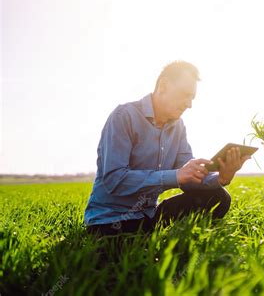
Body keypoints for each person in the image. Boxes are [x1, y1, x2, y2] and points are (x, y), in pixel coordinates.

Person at [84, 61, 250, 236]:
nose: (189, 104)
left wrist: (222, 177)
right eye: (185, 95)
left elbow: (189, 177)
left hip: (149, 214)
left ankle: (167, 235)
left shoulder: (178, 127)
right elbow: (114, 180)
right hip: (111, 219)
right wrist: (176, 175)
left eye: (192, 98)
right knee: (136, 247)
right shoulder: (124, 116)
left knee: (219, 197)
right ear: (163, 86)